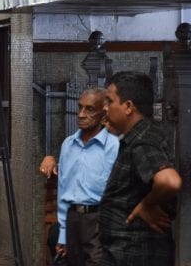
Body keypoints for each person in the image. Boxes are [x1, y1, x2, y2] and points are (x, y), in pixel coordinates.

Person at [98, 72, 181, 265]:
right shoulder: (138, 137)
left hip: (135, 254)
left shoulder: (142, 141)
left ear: (128, 107)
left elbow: (170, 181)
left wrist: (147, 204)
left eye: (110, 101)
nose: (105, 108)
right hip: (125, 253)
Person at [37, 87, 118, 266]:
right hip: (73, 219)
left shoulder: (114, 146)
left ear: (103, 113)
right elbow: (65, 191)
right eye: (79, 108)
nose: (81, 114)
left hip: (99, 219)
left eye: (89, 109)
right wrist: (63, 234)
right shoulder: (68, 144)